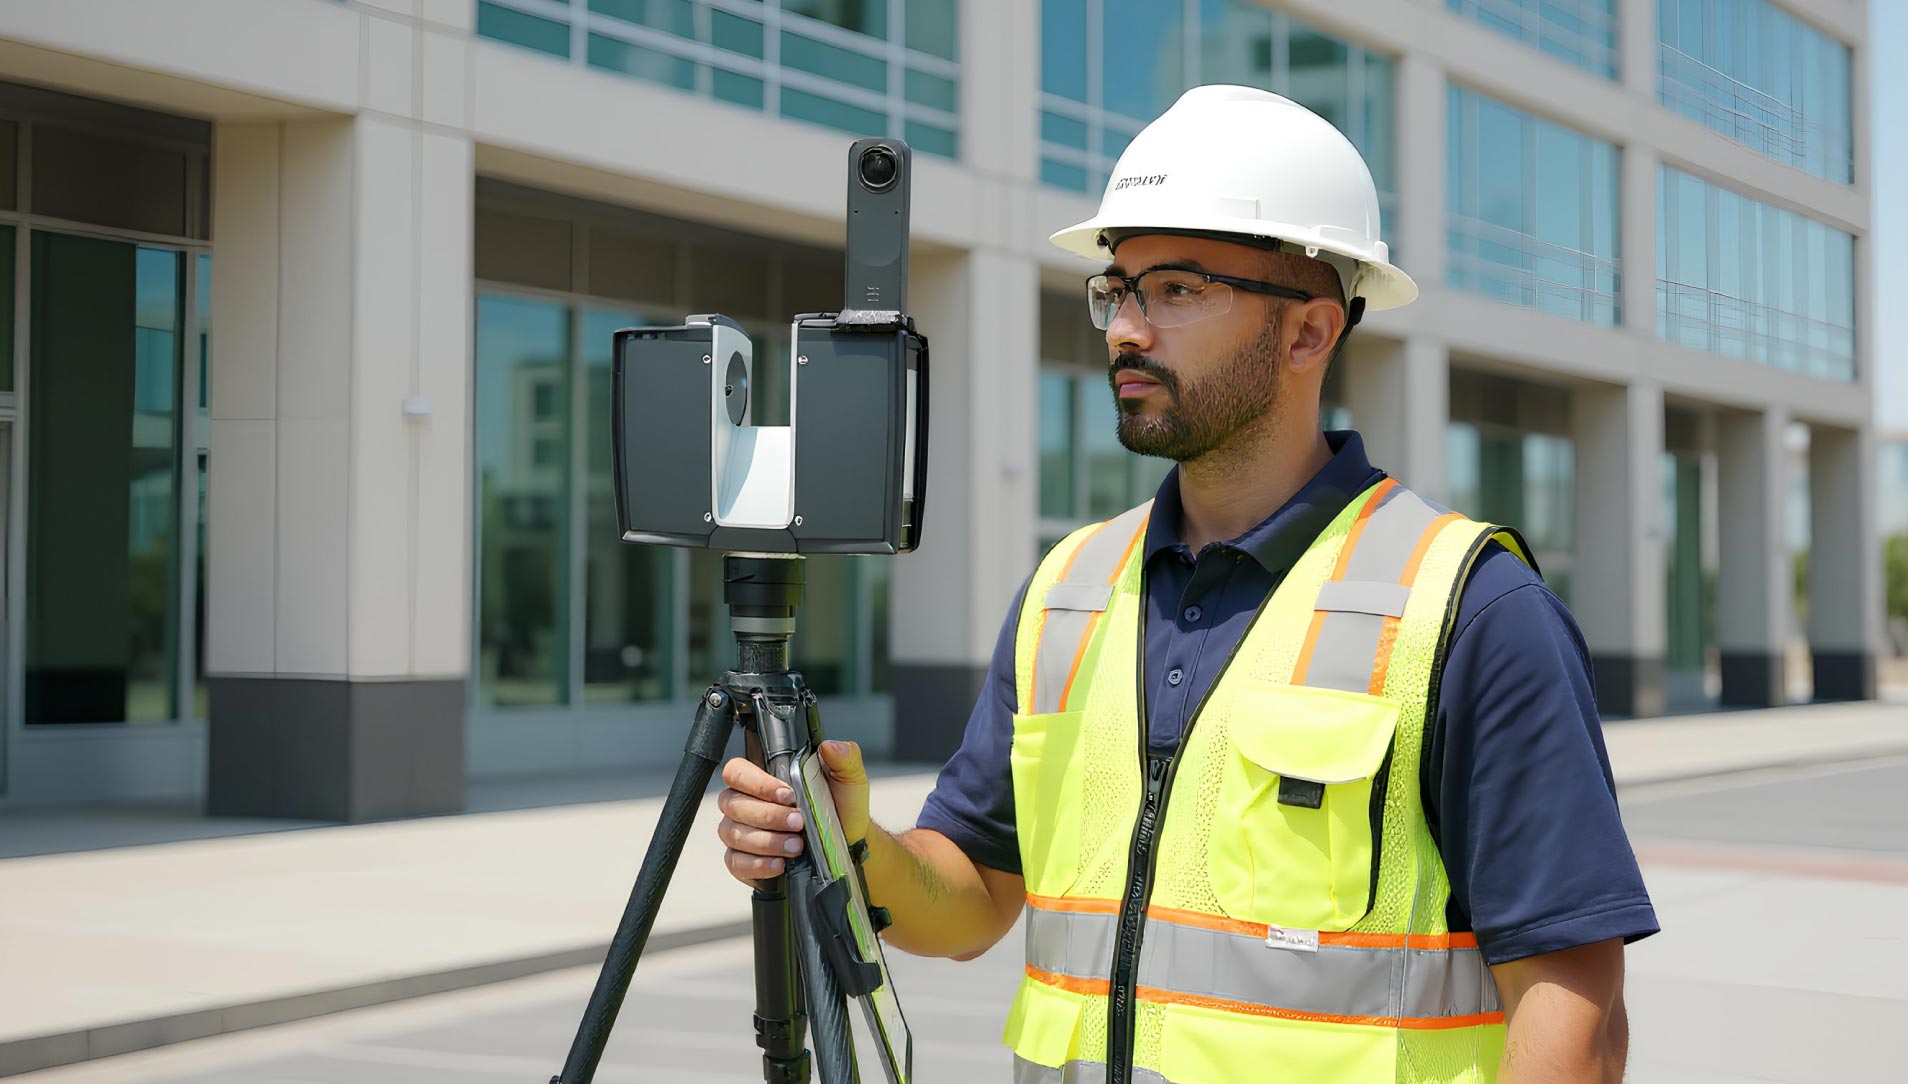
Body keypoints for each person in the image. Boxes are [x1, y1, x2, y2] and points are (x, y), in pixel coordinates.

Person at [715, 85, 1657, 1083]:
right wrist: (850, 837)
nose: (1125, 327)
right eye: (1118, 288)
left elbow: (1575, 1016)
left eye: (1175, 290)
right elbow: (975, 896)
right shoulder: (1069, 590)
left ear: (1308, 333)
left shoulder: (1471, 609)